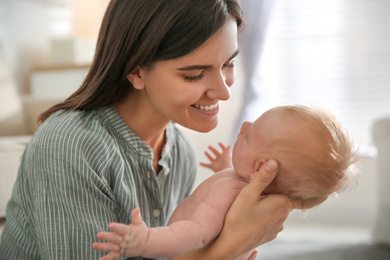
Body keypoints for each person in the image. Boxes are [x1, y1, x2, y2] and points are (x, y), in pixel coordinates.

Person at [0, 1, 299, 259]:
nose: (223, 92)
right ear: (136, 71)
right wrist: (230, 247)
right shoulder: (71, 145)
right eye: (194, 75)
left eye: (228, 64)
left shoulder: (179, 151)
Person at [92, 105, 360, 260]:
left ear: (260, 168)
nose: (244, 125)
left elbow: (194, 233)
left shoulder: (226, 195)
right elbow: (233, 183)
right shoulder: (246, 189)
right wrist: (224, 166)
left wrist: (146, 241)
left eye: (248, 135)